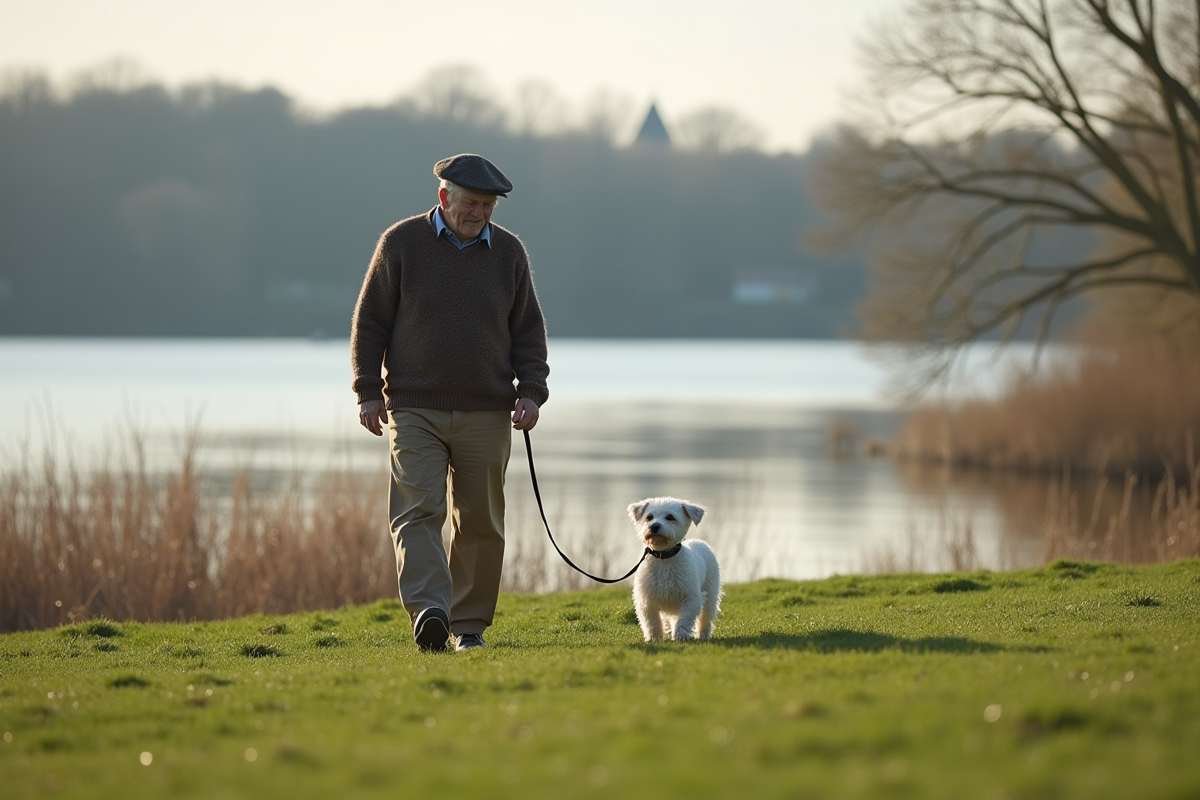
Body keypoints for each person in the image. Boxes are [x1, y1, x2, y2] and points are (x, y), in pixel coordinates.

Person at [350, 153, 549, 653]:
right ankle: (430, 612)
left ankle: (468, 628)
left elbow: (528, 332)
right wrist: (369, 391)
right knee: (418, 511)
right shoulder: (400, 245)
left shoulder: (509, 254)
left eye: (487, 206)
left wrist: (531, 392)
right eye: (471, 204)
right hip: (414, 407)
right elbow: (369, 324)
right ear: (444, 198)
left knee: (480, 520)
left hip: (487, 410)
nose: (479, 213)